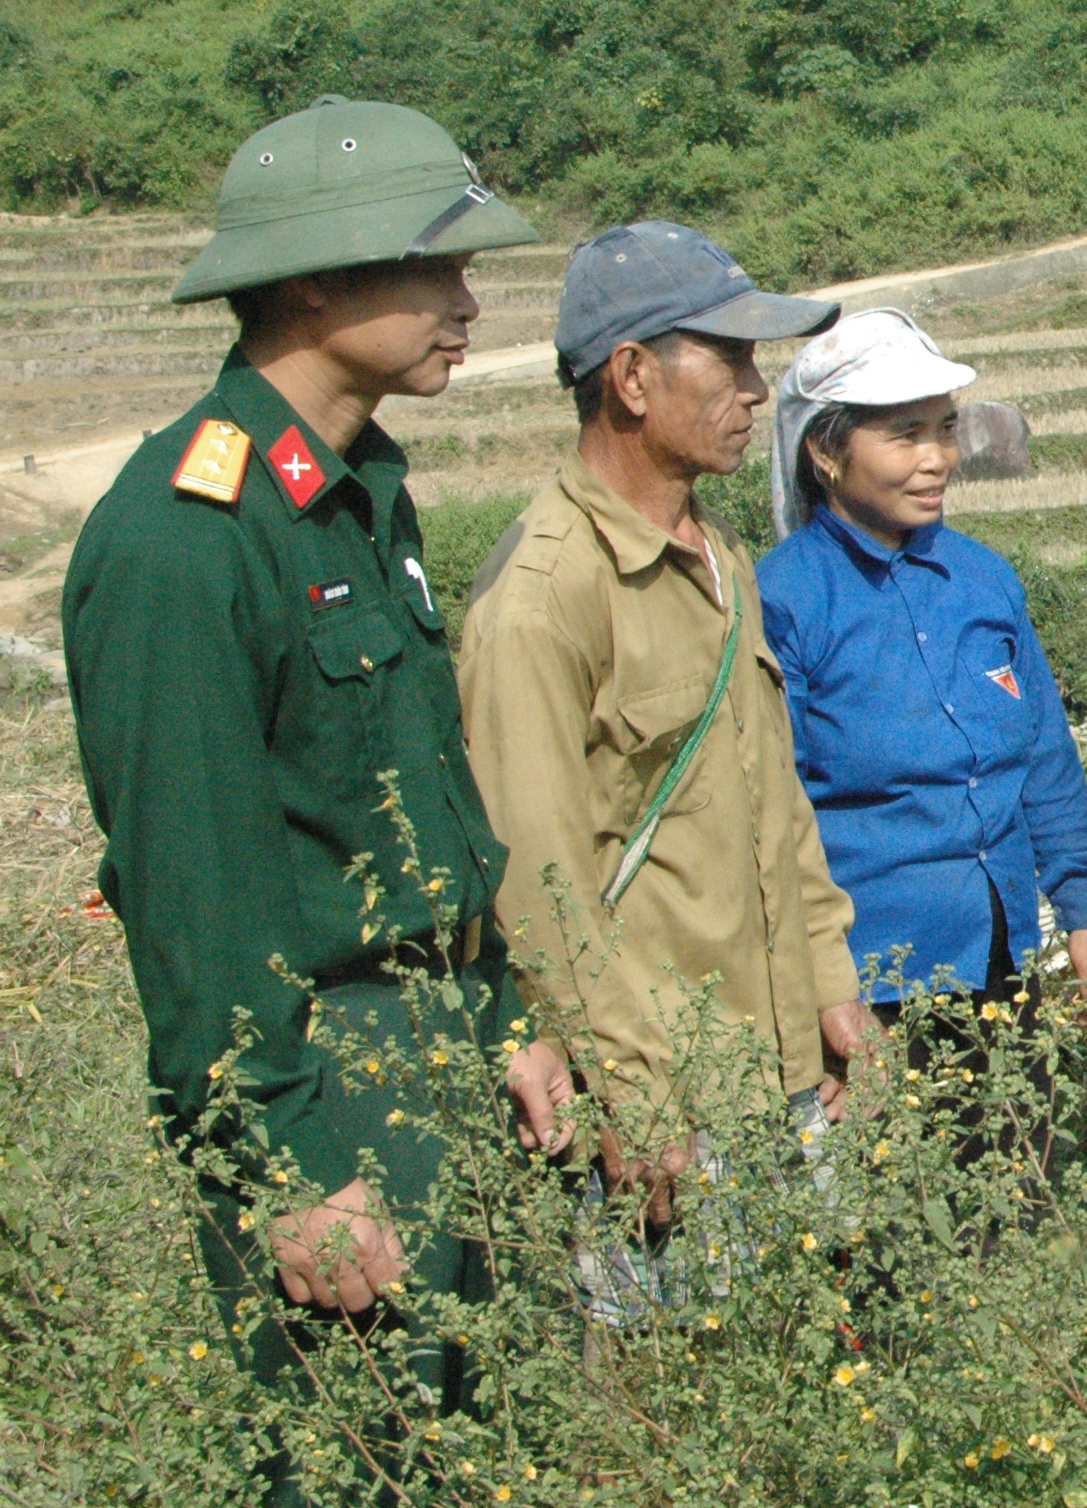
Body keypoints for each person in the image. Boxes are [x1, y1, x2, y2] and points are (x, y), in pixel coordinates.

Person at [61, 97, 571, 1476]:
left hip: (446, 1047)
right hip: (324, 1084)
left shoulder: (355, 494)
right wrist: (284, 1176)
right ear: (314, 278)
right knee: (354, 1461)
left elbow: (419, 801)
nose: (469, 301)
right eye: (435, 267)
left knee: (484, 1457)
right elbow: (193, 894)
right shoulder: (187, 542)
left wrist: (505, 1009)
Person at [456, 221, 866, 1309]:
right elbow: (538, 880)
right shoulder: (543, 596)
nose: (754, 387)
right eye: (727, 359)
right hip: (672, 1105)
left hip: (784, 1074)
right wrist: (632, 1099)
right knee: (675, 1413)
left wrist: (831, 986)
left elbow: (777, 808)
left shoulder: (718, 554)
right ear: (632, 377)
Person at [758, 309, 1087, 1168]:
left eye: (945, 429)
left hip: (1000, 958)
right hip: (872, 980)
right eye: (904, 435)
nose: (937, 458)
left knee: (1010, 1190)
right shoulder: (786, 600)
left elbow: (1043, 759)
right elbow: (774, 812)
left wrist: (1082, 910)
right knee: (887, 1225)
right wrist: (823, 989)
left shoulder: (983, 580)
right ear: (826, 451)